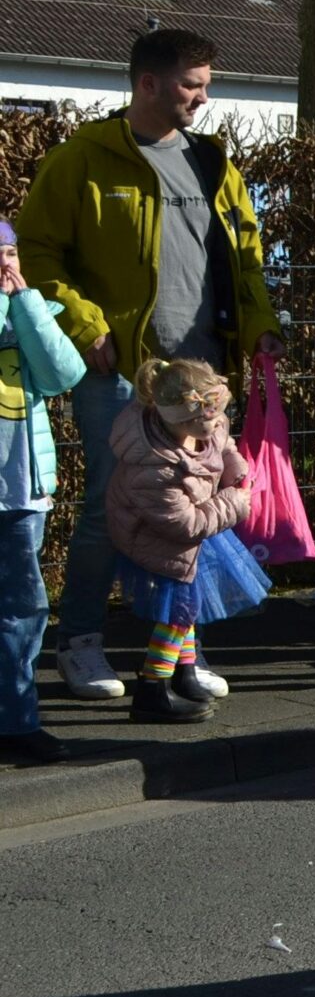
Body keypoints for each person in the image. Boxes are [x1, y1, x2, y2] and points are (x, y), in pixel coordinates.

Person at [20, 27, 284, 704]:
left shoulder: (213, 163)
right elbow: (38, 253)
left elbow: (247, 258)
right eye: (192, 85)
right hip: (120, 374)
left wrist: (260, 328)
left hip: (202, 379)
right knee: (113, 507)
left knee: (195, 510)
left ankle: (175, 659)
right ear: (148, 84)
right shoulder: (83, 158)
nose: (203, 98)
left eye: (205, 85)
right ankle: (80, 642)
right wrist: (84, 323)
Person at [104, 358, 269, 723]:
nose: (212, 427)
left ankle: (185, 671)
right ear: (177, 420)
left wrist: (237, 471)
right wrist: (232, 502)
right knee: (178, 613)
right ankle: (152, 687)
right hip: (158, 538)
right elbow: (184, 523)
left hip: (196, 522)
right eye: (204, 423)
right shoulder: (153, 467)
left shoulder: (204, 422)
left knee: (188, 607)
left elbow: (222, 444)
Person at [0, 222, 94, 762]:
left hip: (21, 495)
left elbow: (63, 373)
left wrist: (27, 304)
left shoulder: (29, 314)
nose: (5, 266)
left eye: (10, 253)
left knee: (24, 609)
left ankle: (16, 722)